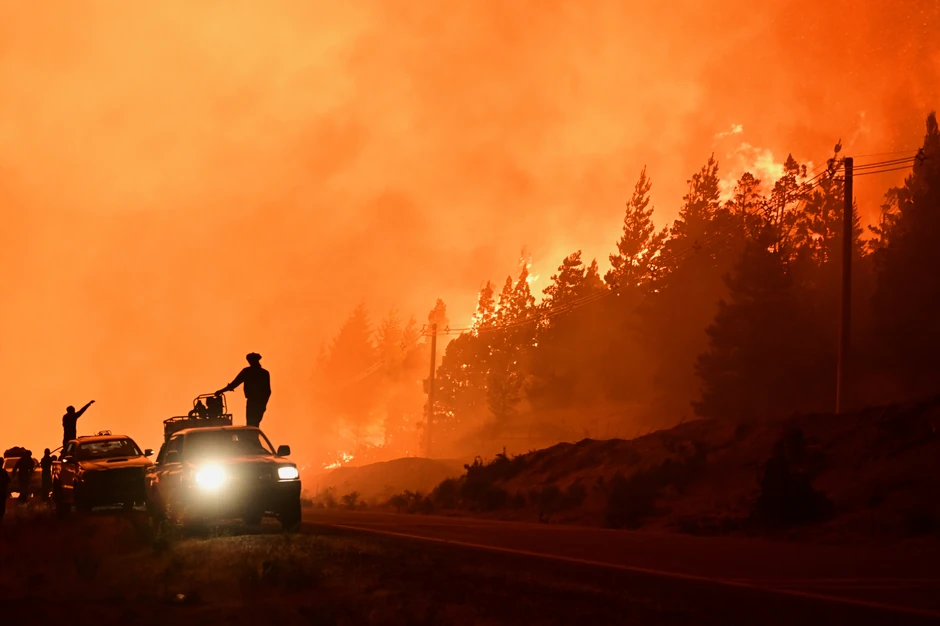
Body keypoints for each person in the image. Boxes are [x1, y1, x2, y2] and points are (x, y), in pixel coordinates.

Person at [216, 352, 271, 428]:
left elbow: (234, 384)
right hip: (258, 403)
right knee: (254, 424)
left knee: (252, 424)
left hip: (255, 402)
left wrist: (221, 391)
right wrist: (264, 404)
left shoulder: (249, 372)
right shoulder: (263, 373)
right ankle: (253, 438)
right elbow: (234, 384)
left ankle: (252, 438)